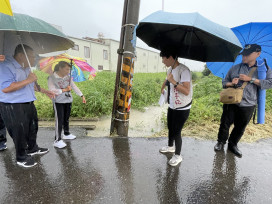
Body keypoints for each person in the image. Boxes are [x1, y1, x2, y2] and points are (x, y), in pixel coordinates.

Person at [0, 44, 55, 168]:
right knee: (19, 131)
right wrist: (28, 80)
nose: (34, 59)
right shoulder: (5, 66)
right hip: (13, 105)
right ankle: (21, 157)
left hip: (28, 102)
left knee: (32, 127)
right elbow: (5, 88)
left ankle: (32, 148)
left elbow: (31, 85)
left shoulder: (25, 67)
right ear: (20, 55)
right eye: (31, 56)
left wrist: (46, 92)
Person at [214, 44, 272, 157]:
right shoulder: (235, 68)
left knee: (240, 127)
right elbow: (224, 83)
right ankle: (220, 142)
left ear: (258, 54)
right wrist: (231, 83)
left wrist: (251, 79)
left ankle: (233, 145)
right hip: (231, 102)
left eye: (247, 54)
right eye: (243, 54)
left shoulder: (264, 69)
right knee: (225, 123)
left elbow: (269, 84)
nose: (244, 56)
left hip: (249, 104)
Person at [159, 49, 193, 166]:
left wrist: (173, 81)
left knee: (177, 131)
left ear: (170, 57)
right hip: (172, 105)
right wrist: (163, 87)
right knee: (170, 127)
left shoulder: (184, 71)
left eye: (163, 58)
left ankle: (178, 155)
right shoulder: (170, 69)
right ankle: (170, 147)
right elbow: (166, 80)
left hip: (182, 107)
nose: (163, 61)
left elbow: (186, 91)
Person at [48, 61, 86, 149]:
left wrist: (81, 95)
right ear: (60, 68)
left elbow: (74, 86)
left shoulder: (68, 77)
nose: (68, 71)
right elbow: (52, 90)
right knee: (59, 120)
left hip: (68, 100)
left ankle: (66, 133)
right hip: (58, 102)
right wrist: (64, 90)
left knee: (66, 118)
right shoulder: (52, 78)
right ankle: (57, 140)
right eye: (67, 69)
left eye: (69, 69)